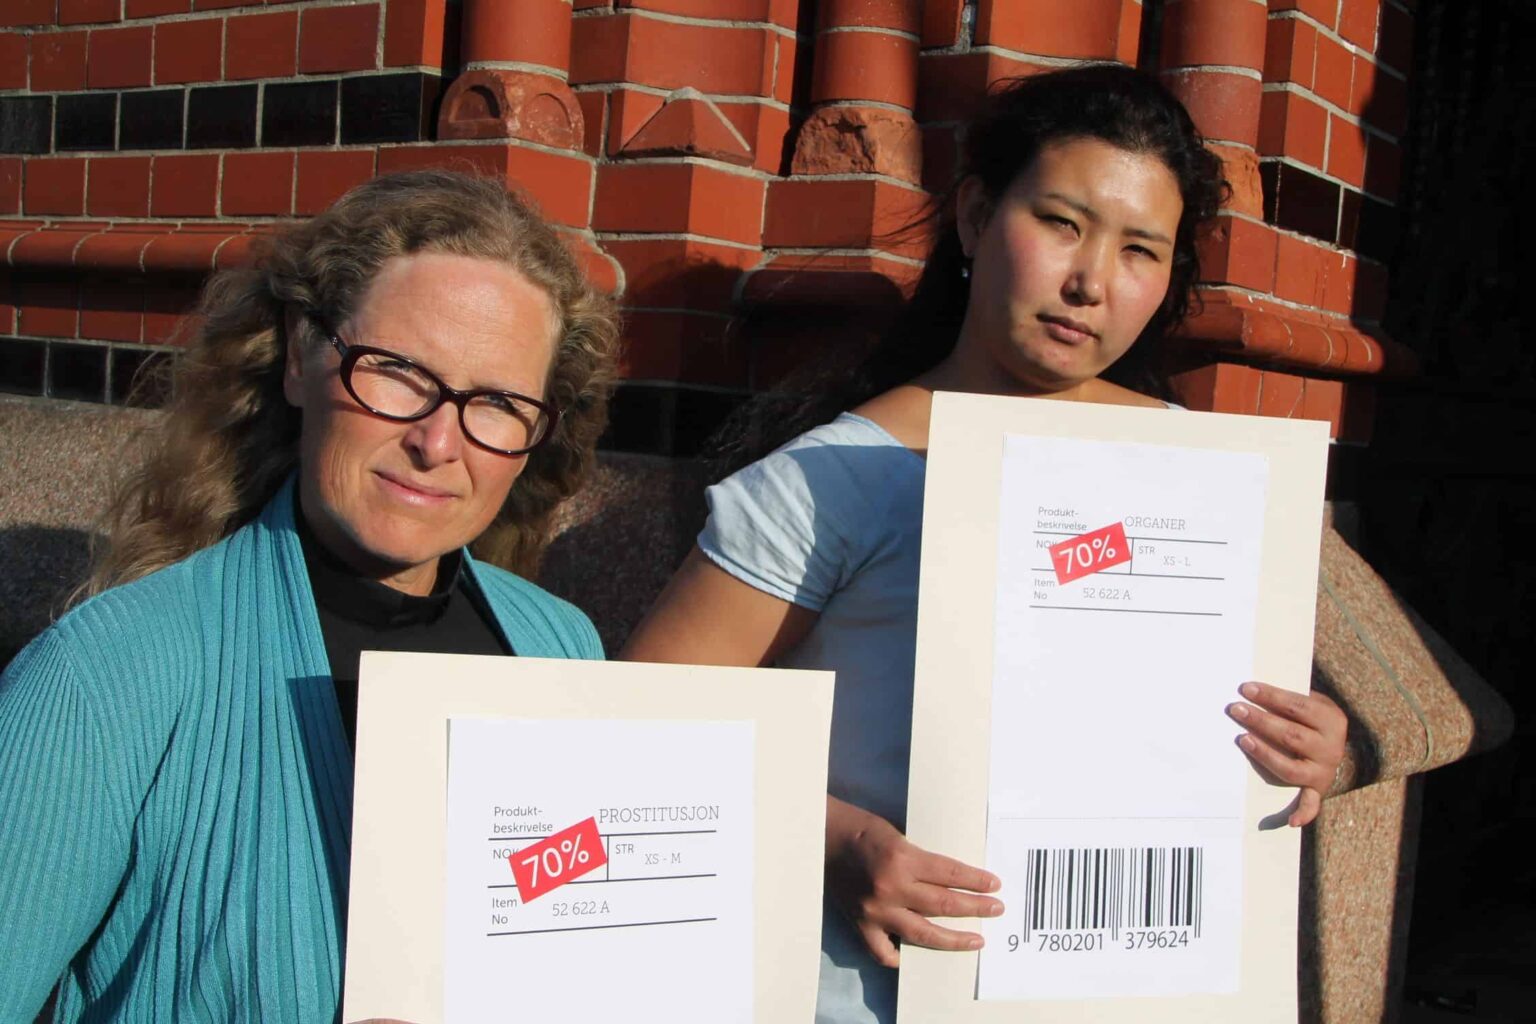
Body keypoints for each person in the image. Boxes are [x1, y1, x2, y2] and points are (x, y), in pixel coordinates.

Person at [621, 64, 1348, 1023]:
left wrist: (1306, 745)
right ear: (973, 218)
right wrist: (834, 843)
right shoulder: (837, 477)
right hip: (869, 992)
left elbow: (1223, 709)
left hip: (1126, 989)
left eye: (1140, 249)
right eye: (1061, 223)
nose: (1090, 282)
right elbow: (639, 734)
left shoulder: (1195, 474)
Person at [0, 170, 618, 1022]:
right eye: (399, 372)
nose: (439, 442)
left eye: (498, 403)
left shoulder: (561, 648)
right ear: (300, 357)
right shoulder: (104, 679)